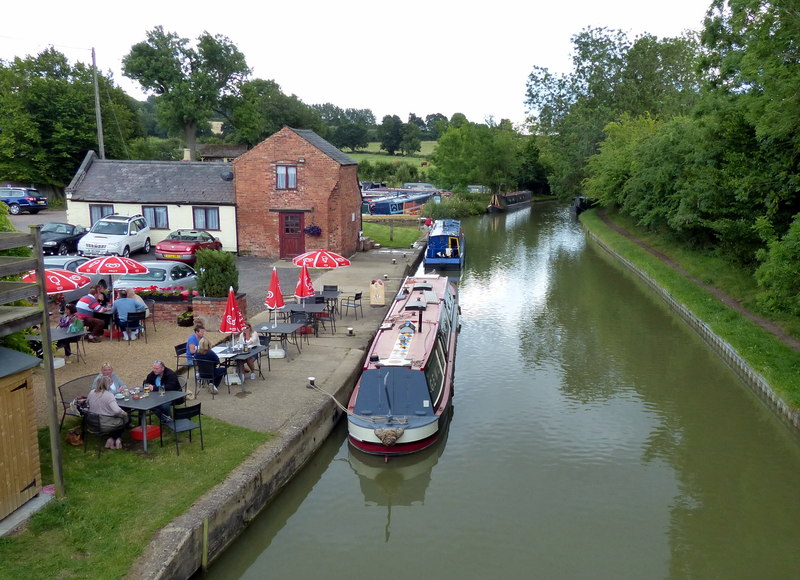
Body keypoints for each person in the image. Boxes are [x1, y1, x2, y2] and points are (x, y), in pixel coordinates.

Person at [86, 375, 129, 450]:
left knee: (119, 419)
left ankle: (112, 439)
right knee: (126, 419)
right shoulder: (109, 395)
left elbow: (87, 403)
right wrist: (124, 413)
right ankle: (115, 438)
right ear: (107, 385)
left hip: (92, 422)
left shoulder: (91, 393)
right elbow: (117, 411)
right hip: (105, 423)